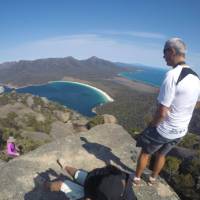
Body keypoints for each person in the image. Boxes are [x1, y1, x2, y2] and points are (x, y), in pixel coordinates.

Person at [133, 38, 200, 186]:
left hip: (165, 129)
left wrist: (151, 126)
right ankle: (152, 179)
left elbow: (162, 112)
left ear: (171, 51)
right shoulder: (196, 77)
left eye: (164, 52)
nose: (163, 56)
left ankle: (136, 179)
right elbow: (196, 104)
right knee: (162, 154)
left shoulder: (172, 75)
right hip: (181, 131)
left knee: (145, 152)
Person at [38, 159, 137, 200]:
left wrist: (88, 197)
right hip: (96, 183)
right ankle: (65, 166)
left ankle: (45, 183)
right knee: (78, 173)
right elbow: (95, 174)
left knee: (60, 185)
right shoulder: (116, 174)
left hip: (96, 193)